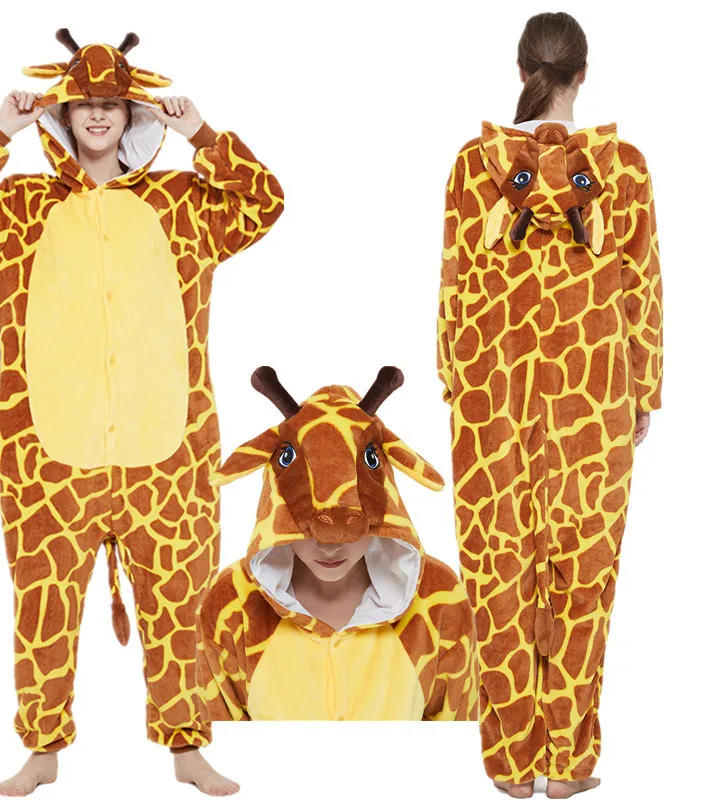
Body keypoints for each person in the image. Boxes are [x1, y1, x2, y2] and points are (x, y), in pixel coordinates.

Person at [0, 29, 283, 797]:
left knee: (181, 605)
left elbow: (266, 201)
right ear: (62, 113)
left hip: (170, 452)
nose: (96, 114)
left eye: (111, 103)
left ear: (131, 113)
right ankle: (42, 750)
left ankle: (187, 748)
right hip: (48, 456)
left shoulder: (184, 205)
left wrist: (202, 135)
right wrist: (0, 129)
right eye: (83, 104)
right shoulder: (21, 208)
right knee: (42, 605)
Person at [435, 12, 662, 800]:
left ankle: (510, 764)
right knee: (582, 577)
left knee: (498, 576)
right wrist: (644, 389)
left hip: (491, 402)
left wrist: (456, 383)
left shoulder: (473, 167)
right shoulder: (622, 169)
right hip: (591, 402)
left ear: (521, 69)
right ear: (582, 74)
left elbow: (453, 287)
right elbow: (641, 286)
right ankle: (566, 763)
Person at [197, 366, 479, 722]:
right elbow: (220, 738)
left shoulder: (438, 600)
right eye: (309, 531)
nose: (330, 548)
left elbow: (457, 737)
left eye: (352, 529)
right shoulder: (232, 605)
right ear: (281, 510)